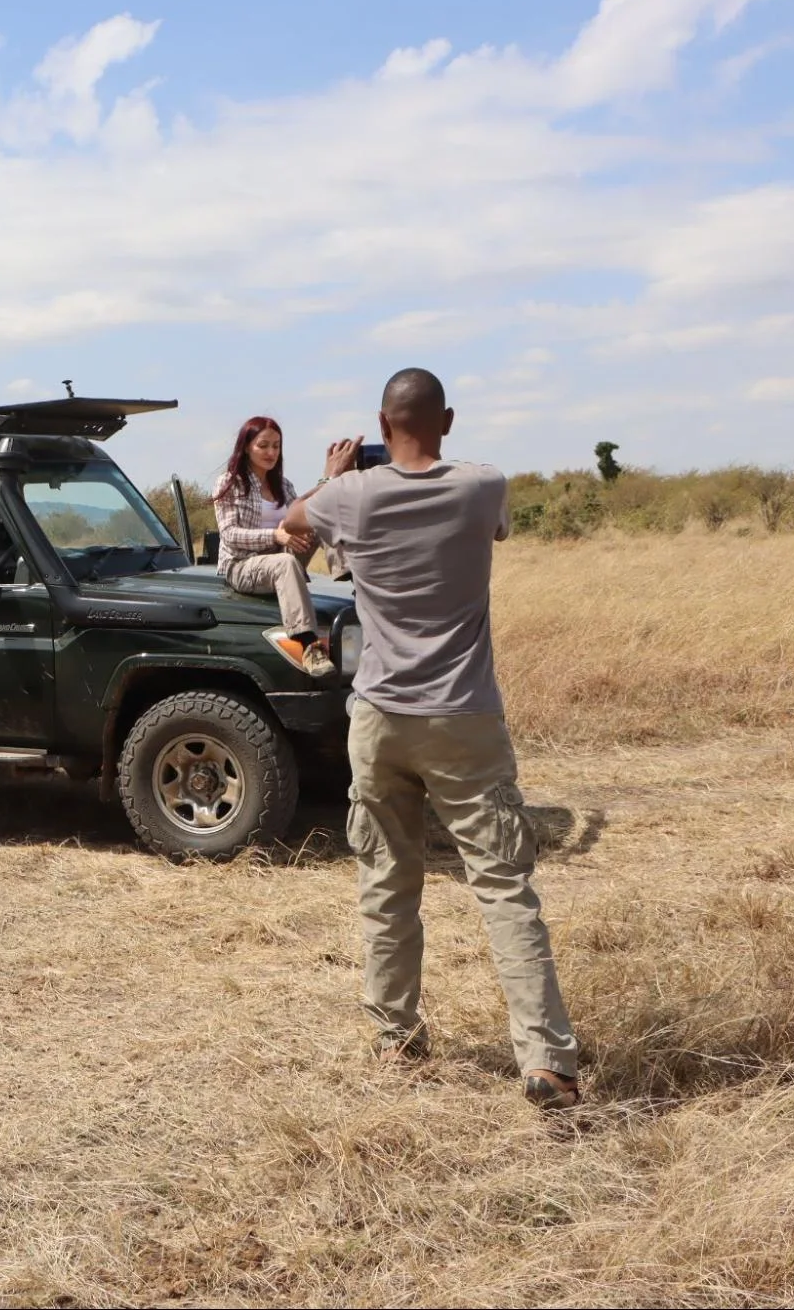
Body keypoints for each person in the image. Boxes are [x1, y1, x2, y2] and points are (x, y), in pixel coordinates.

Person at [279, 367, 581, 1111]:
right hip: (464, 717)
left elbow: (291, 526)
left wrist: (332, 480)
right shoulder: (481, 486)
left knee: (386, 883)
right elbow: (497, 525)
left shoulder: (348, 496)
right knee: (504, 887)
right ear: (444, 419)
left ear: (381, 427)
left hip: (379, 718)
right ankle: (545, 1059)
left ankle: (394, 1035)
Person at [213, 416, 334, 677]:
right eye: (263, 445)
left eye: (276, 446)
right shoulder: (230, 483)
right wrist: (275, 536)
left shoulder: (284, 484)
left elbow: (303, 515)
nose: (271, 453)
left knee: (320, 521)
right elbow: (230, 534)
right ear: (246, 447)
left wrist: (328, 482)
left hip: (281, 558)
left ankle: (358, 578)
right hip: (243, 565)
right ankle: (308, 645)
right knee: (285, 562)